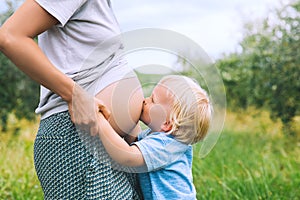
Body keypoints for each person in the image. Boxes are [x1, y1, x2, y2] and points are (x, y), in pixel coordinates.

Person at [0, 0, 144, 199]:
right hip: (77, 141)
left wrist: (132, 132)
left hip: (107, 145)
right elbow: (10, 36)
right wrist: (75, 95)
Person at [96, 75, 213, 200]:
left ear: (166, 124)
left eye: (153, 100)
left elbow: (126, 156)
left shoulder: (165, 146)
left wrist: (99, 119)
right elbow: (134, 141)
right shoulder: (160, 138)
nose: (145, 100)